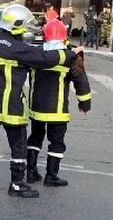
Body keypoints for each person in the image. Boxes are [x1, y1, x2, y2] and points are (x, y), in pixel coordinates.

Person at [0, 4, 81, 199]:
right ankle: (17, 184)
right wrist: (70, 53)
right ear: (18, 25)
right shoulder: (20, 49)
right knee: (18, 147)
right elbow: (46, 59)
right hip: (12, 106)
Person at [26, 19, 91, 186]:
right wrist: (84, 103)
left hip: (36, 108)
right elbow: (81, 81)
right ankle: (51, 176)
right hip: (57, 110)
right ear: (64, 36)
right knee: (56, 142)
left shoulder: (36, 54)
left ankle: (31, 172)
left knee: (35, 138)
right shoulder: (70, 57)